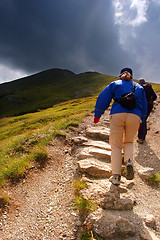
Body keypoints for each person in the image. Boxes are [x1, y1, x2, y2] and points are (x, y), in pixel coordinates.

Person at [94, 68, 147, 186]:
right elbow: (144, 106)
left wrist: (97, 115)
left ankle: (116, 176)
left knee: (116, 146)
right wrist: (141, 121)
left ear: (120, 75)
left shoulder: (114, 84)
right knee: (128, 142)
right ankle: (129, 161)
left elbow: (103, 99)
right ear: (132, 76)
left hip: (117, 114)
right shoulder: (139, 87)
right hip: (134, 116)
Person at [137, 78, 157, 144]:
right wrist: (150, 100)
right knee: (144, 119)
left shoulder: (139, 87)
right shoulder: (149, 86)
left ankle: (141, 137)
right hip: (150, 104)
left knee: (142, 120)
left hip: (142, 105)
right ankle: (143, 136)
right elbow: (155, 96)